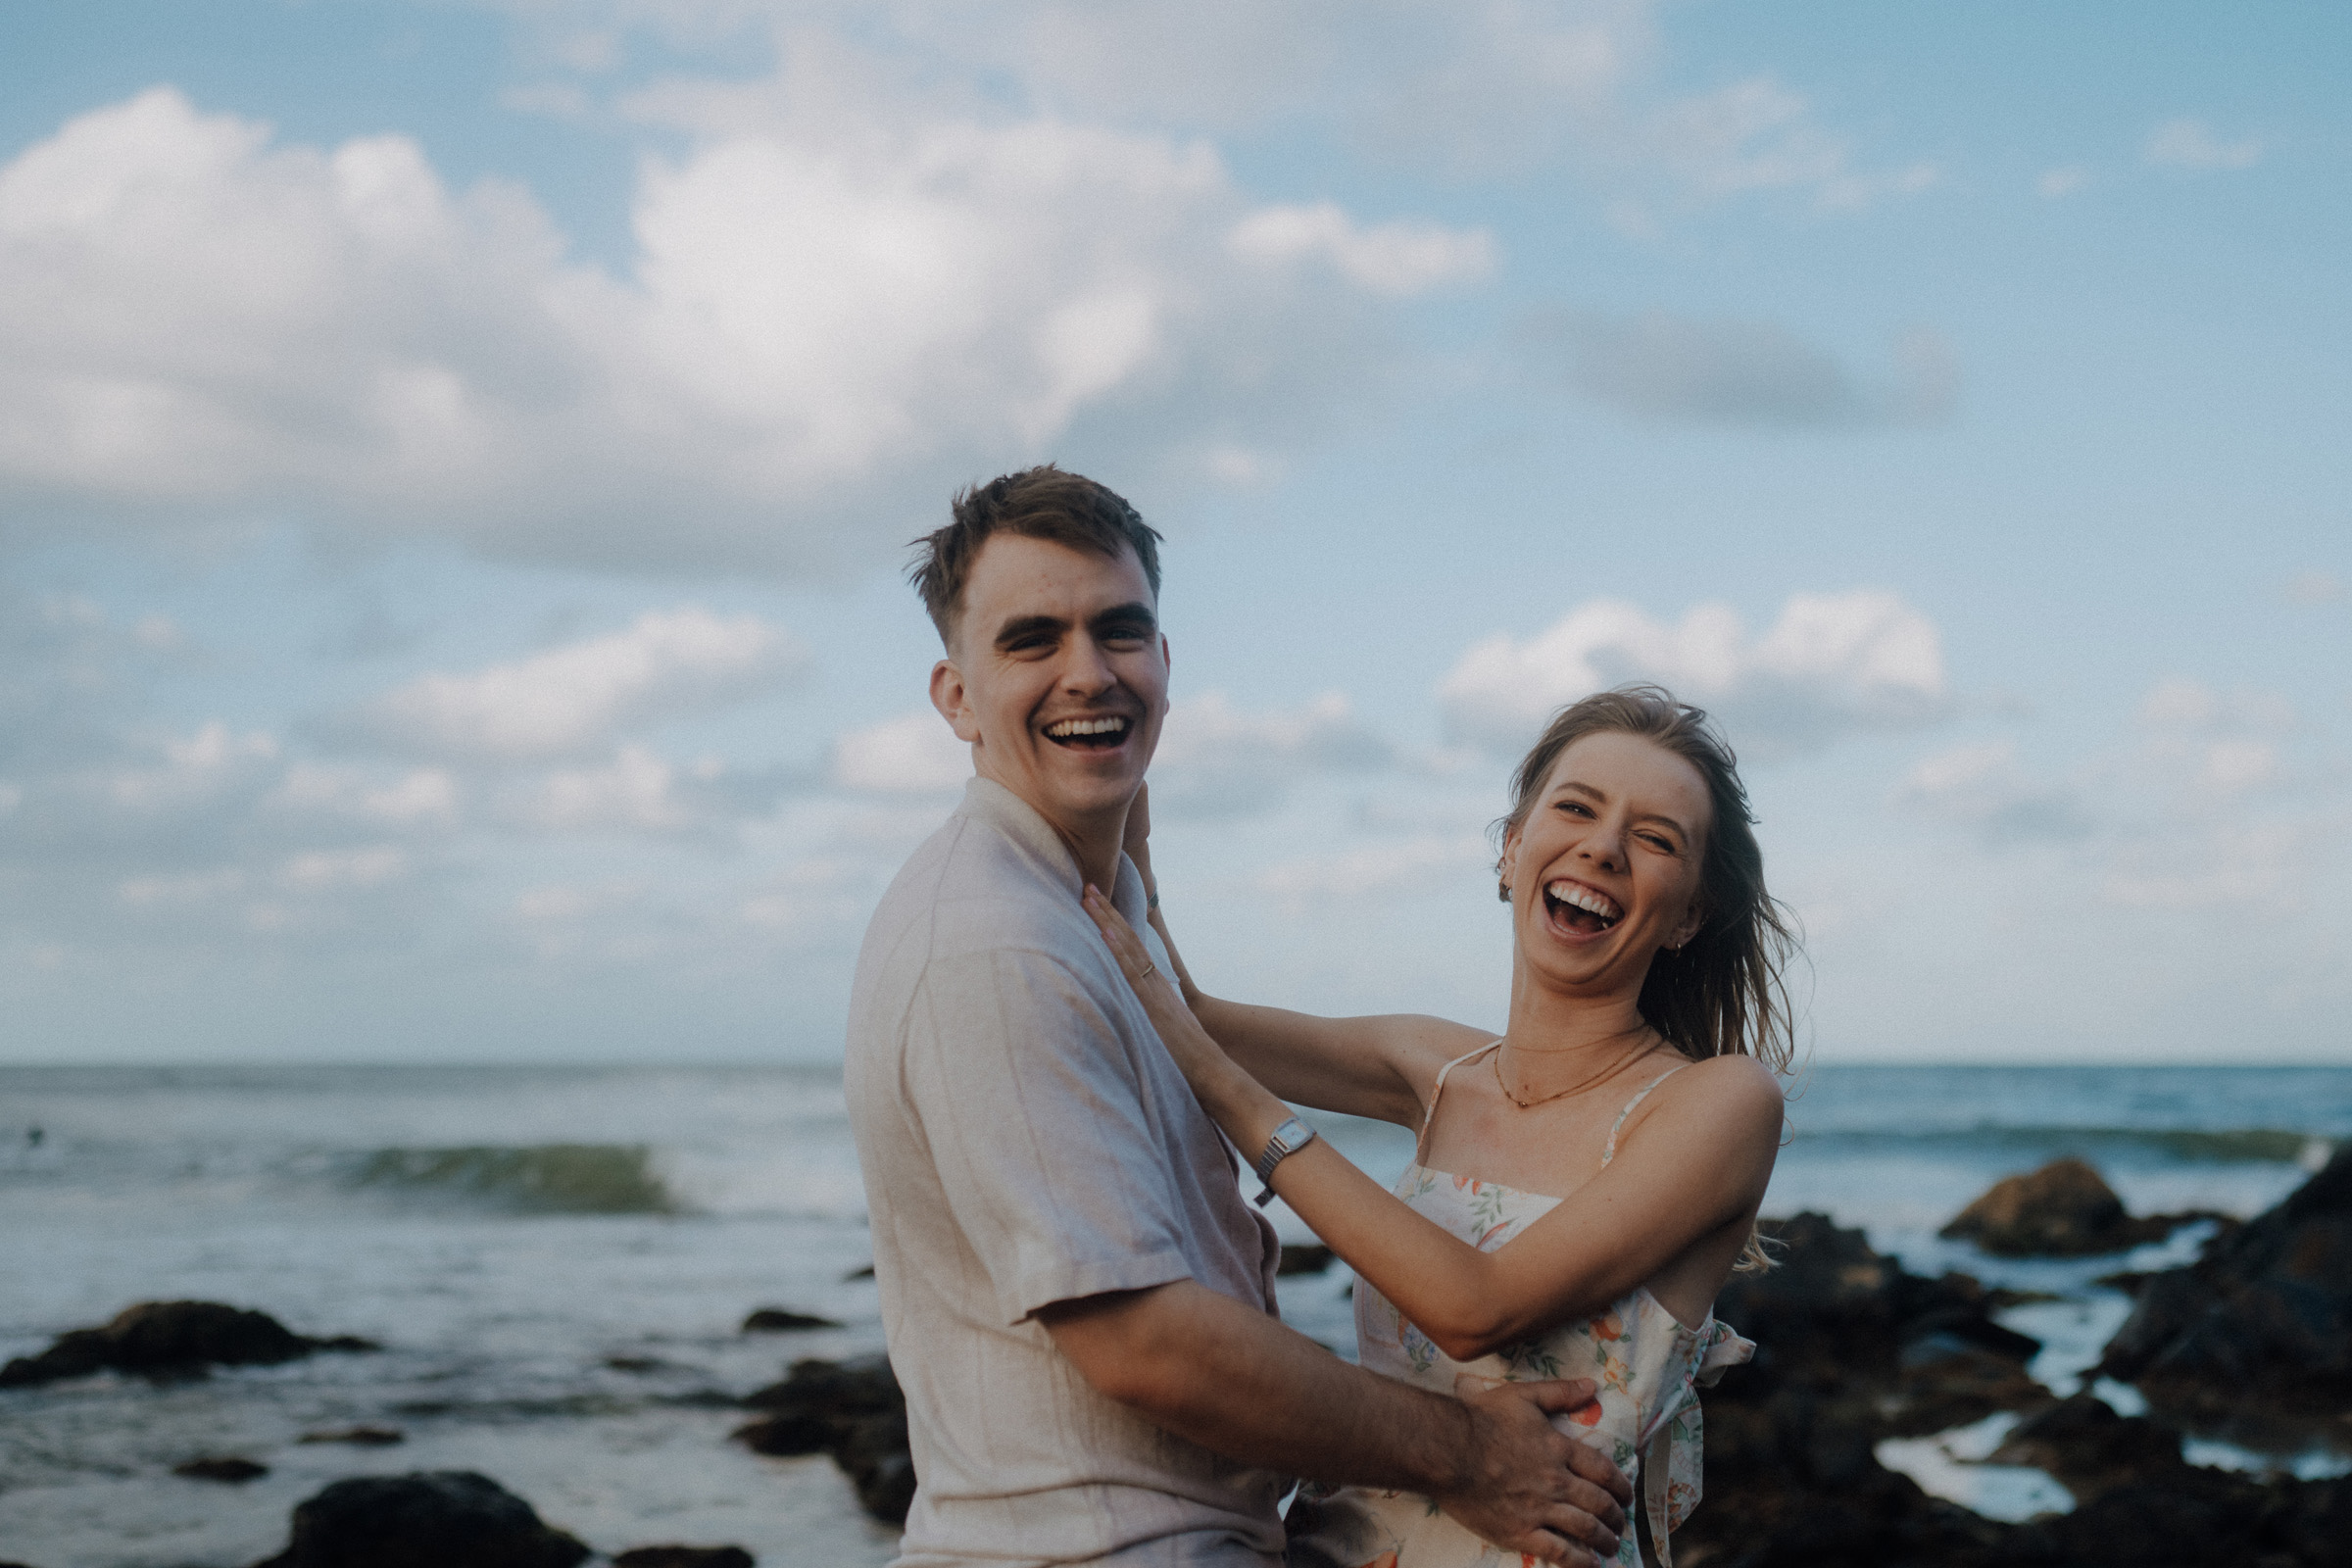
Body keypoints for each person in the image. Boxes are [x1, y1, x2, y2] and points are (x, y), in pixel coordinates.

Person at [844, 466, 1633, 1568]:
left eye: (1121, 631)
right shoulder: (992, 943)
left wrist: (1142, 867)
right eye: (1032, 640)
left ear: (1165, 663)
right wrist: (1467, 1455)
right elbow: (1145, 1342)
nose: (1088, 672)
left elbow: (1201, 1024)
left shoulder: (1086, 909)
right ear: (957, 696)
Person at [1082, 686, 1793, 1568]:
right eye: (1575, 808)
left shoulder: (1720, 1104)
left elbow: (1477, 1308)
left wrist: (1235, 1099)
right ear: (1511, 849)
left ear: (1688, 914)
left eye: (1654, 839)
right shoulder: (1434, 1067)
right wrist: (1124, 850)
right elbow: (1179, 1016)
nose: (1603, 847)